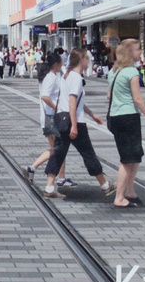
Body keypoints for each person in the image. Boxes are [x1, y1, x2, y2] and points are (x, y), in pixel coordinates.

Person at [42, 48, 112, 200]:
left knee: (58, 153)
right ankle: (105, 185)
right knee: (88, 153)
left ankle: (49, 187)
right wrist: (74, 125)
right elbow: (72, 102)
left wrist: (92, 114)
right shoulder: (76, 78)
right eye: (87, 58)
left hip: (62, 119)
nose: (89, 61)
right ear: (81, 60)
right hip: (74, 122)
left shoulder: (66, 77)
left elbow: (75, 102)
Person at [106, 40, 145, 208]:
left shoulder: (114, 71)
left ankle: (130, 191)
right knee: (128, 160)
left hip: (115, 117)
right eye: (138, 49)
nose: (140, 52)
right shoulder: (131, 72)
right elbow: (137, 98)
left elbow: (109, 96)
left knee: (134, 156)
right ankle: (119, 197)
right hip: (128, 117)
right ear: (129, 52)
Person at [26, 50, 65, 183]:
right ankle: (35, 168)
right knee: (59, 149)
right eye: (61, 62)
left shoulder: (52, 76)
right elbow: (45, 96)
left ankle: (60, 177)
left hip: (49, 117)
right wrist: (57, 108)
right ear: (56, 64)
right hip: (51, 118)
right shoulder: (51, 77)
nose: (62, 64)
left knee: (58, 149)